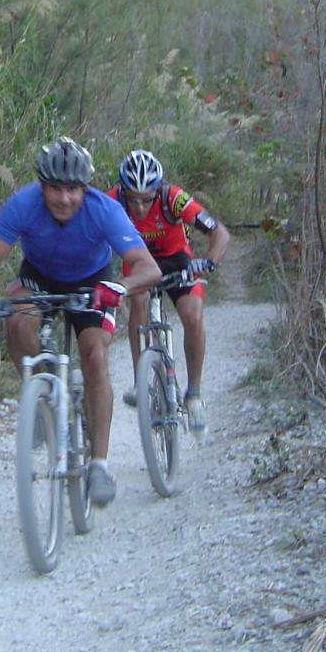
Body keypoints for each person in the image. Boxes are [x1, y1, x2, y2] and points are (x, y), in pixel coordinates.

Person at [0, 137, 161, 508]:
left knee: (95, 356)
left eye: (72, 189)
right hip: (39, 277)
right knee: (19, 322)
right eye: (55, 188)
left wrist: (118, 286)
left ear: (85, 187)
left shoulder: (105, 210)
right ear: (42, 186)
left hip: (93, 283)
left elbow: (148, 268)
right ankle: (43, 390)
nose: (63, 198)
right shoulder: (23, 204)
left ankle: (99, 464)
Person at [106, 149, 230, 438]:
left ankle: (194, 394)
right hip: (139, 264)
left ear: (157, 190)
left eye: (146, 199)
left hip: (177, 261)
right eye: (132, 199)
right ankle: (141, 381)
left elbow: (219, 232)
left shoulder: (172, 198)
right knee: (138, 301)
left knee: (191, 315)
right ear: (122, 191)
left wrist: (209, 261)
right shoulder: (111, 199)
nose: (138, 208)